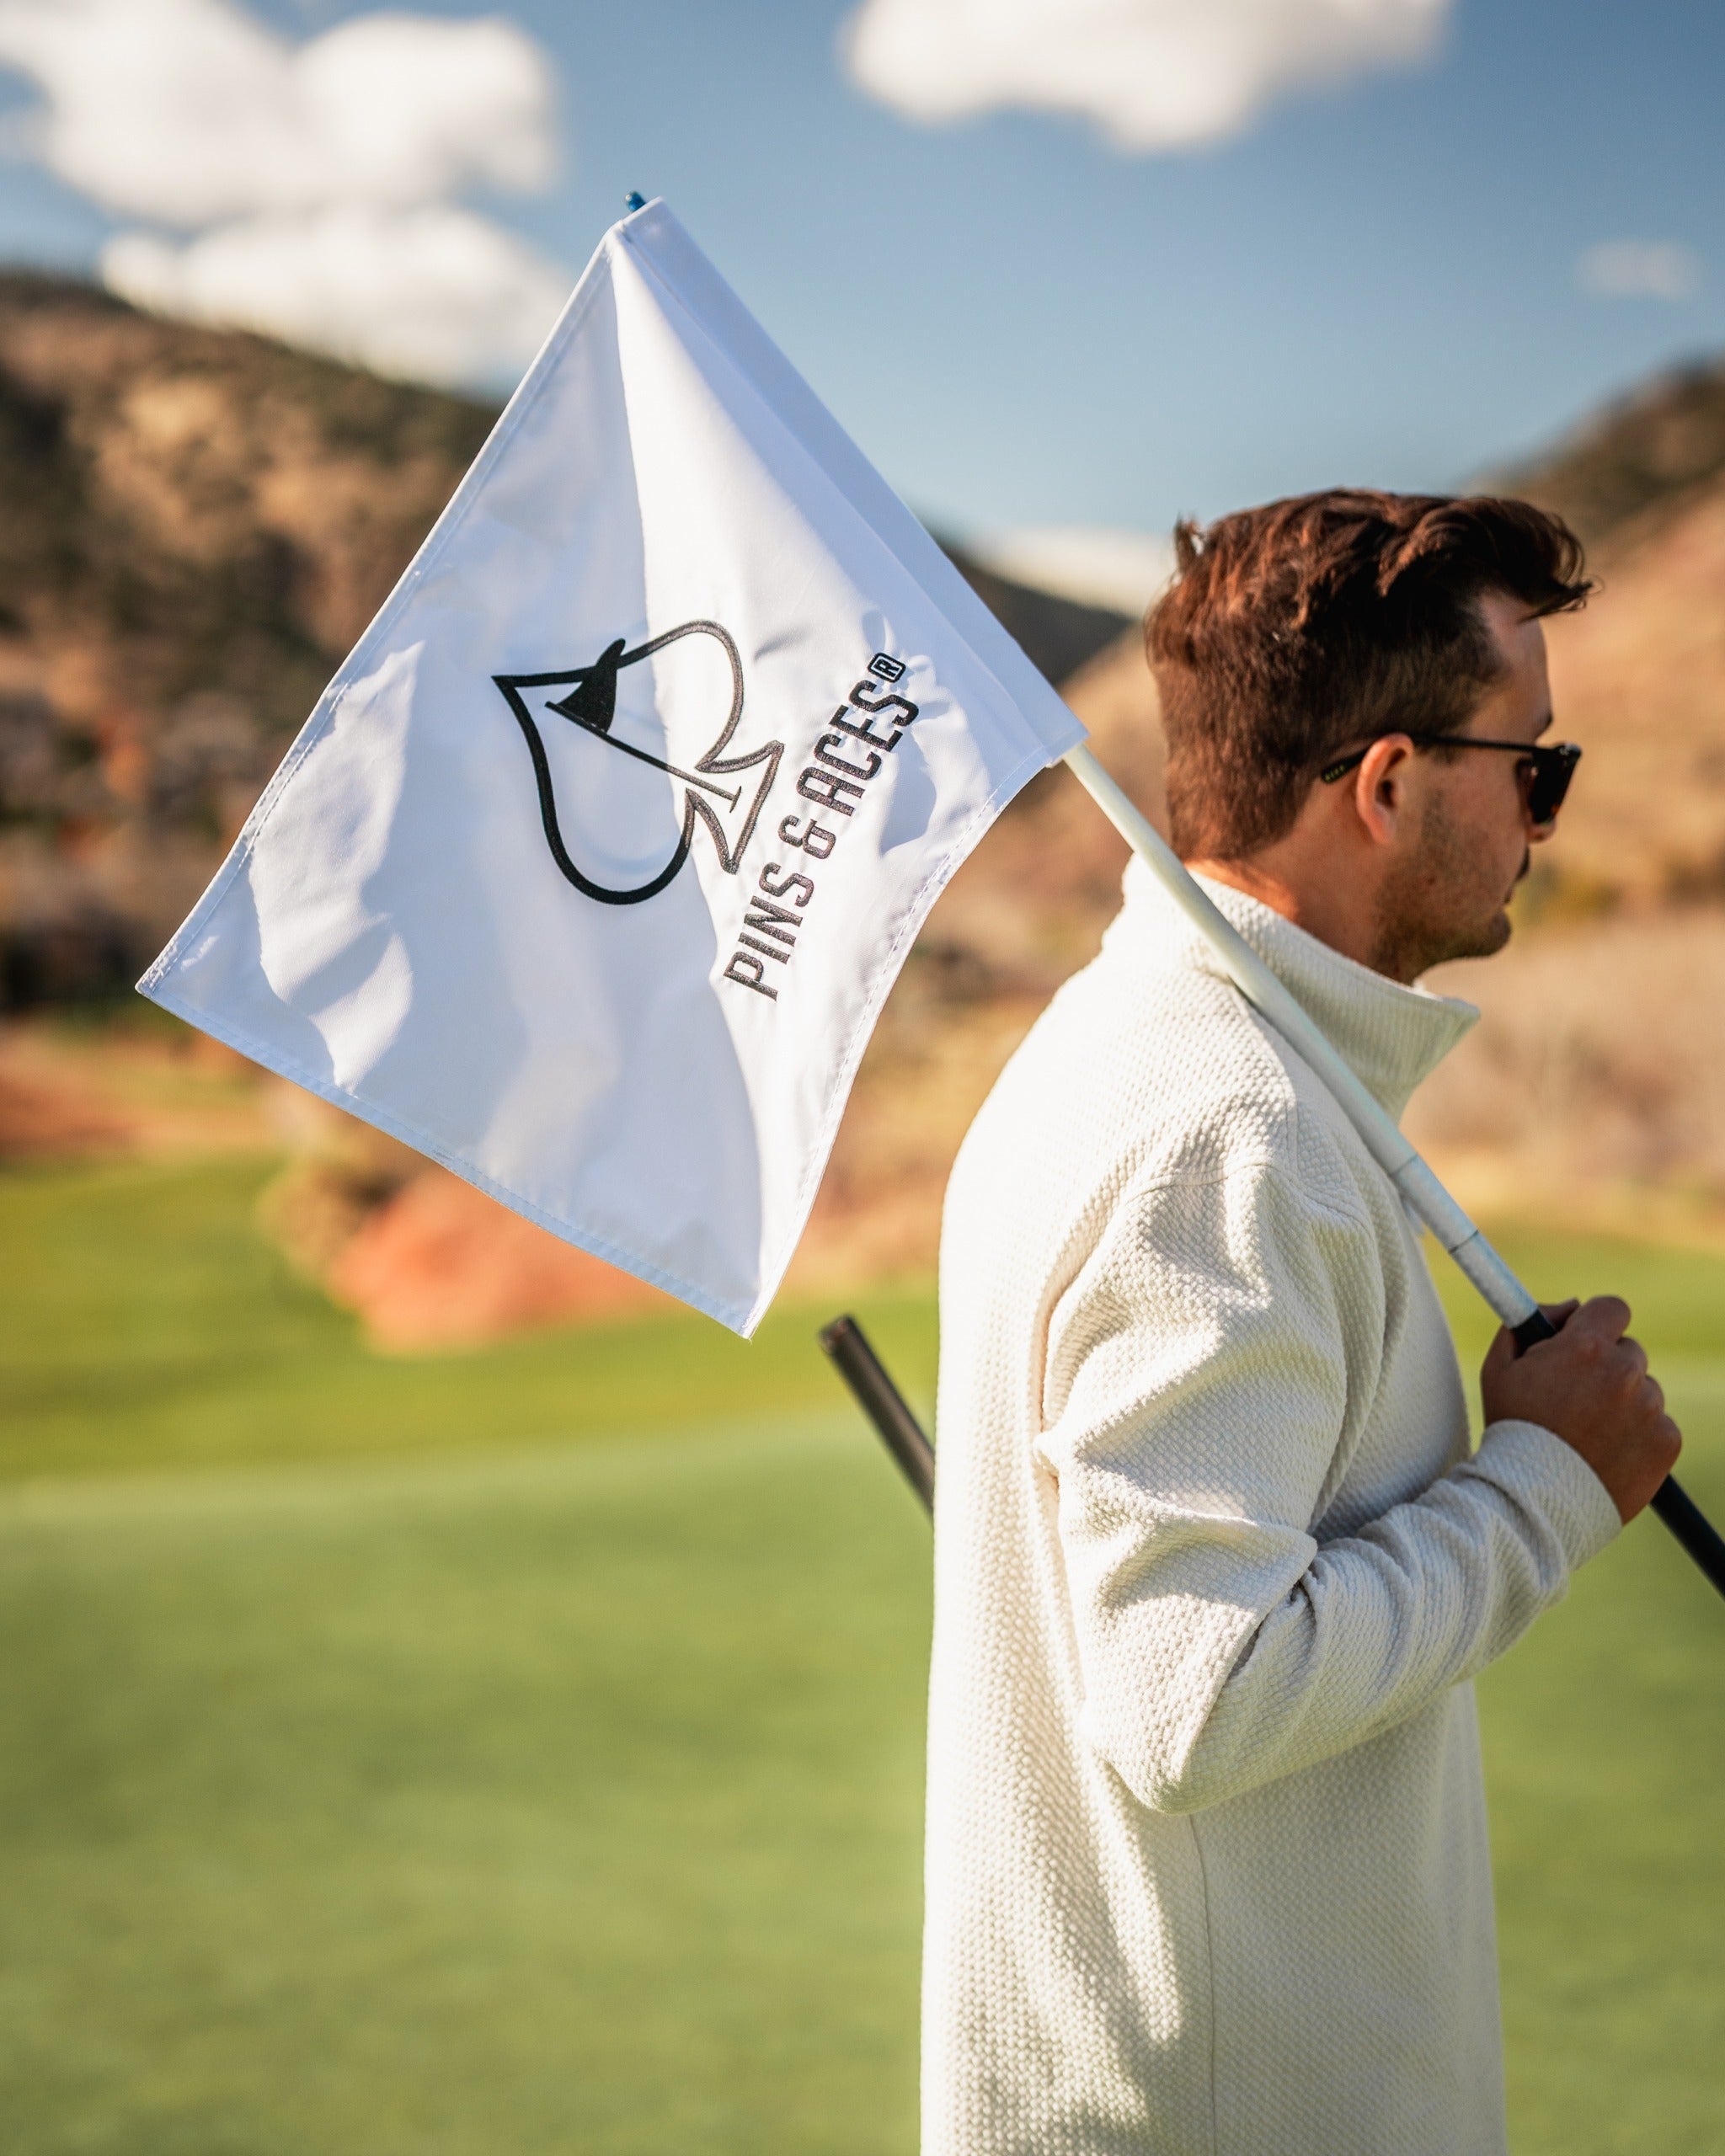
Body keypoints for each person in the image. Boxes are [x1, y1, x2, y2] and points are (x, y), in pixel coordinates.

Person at [922, 490, 1682, 2156]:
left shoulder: (1135, 1052)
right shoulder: (1227, 1129)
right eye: (1530, 766)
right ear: (1389, 782)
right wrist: (1547, 1485)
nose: (1546, 816)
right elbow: (1195, 1694)